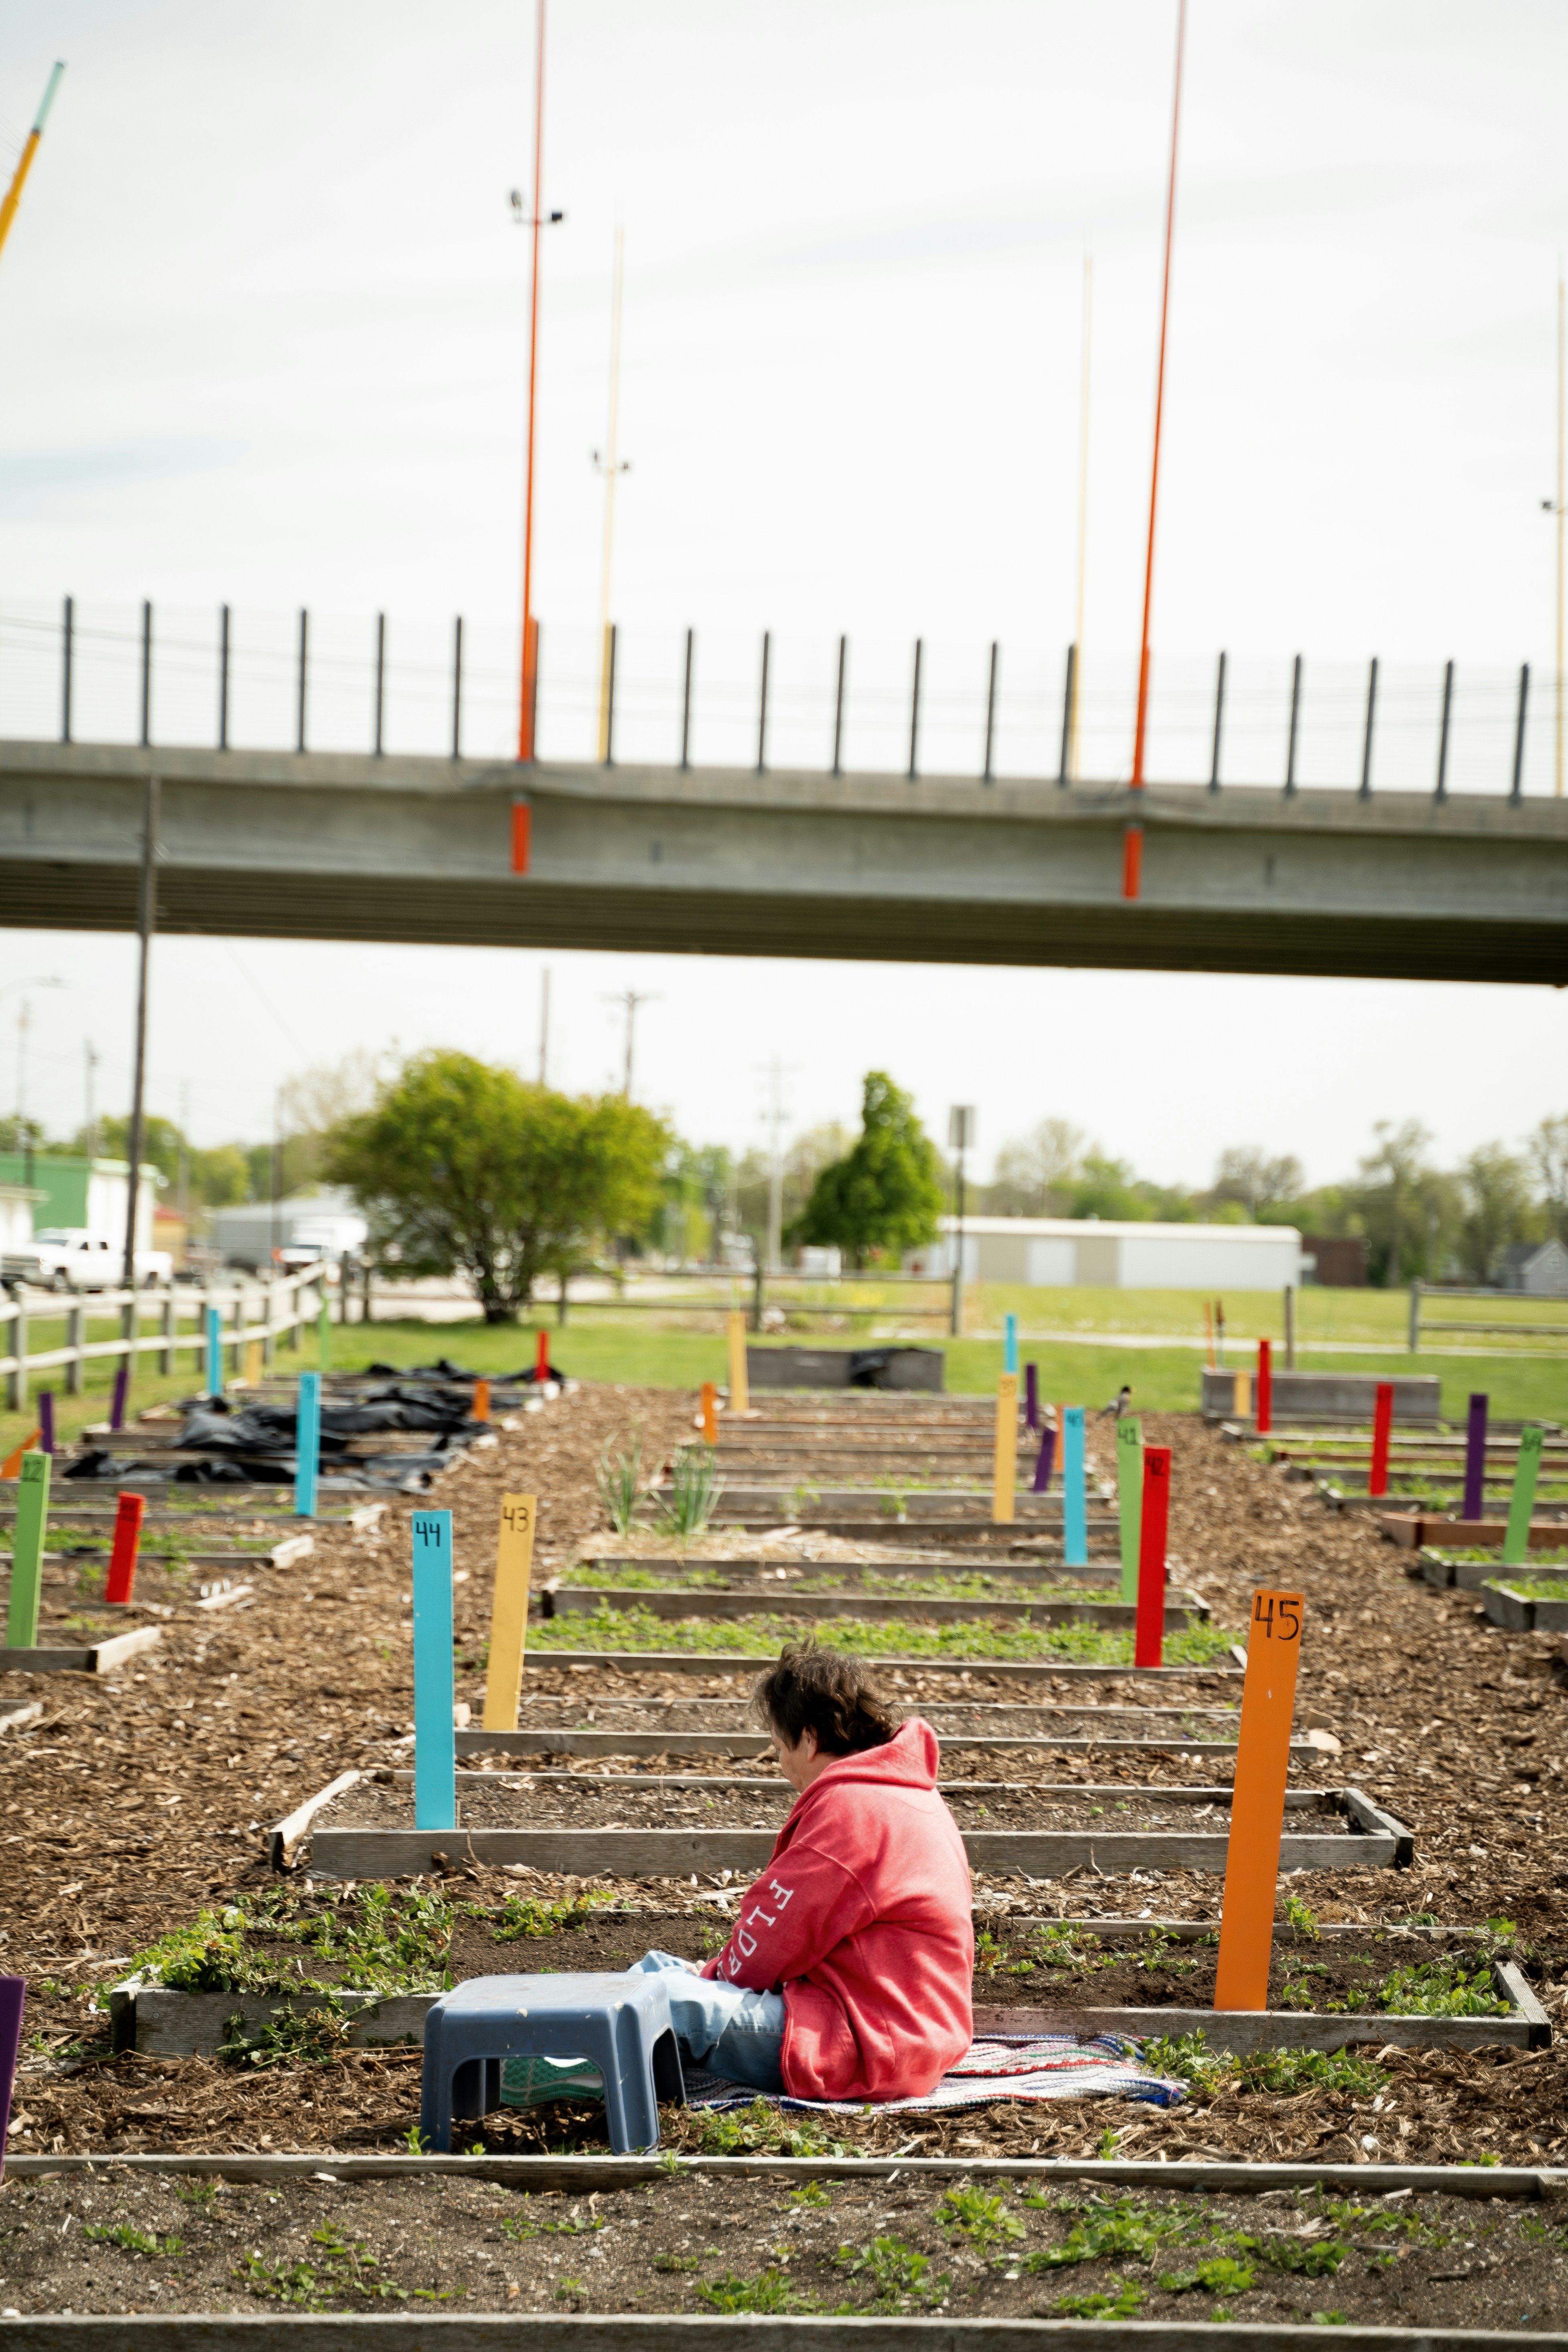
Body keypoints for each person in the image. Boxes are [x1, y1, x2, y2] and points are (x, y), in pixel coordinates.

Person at [635, 1644, 973, 2101]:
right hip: (906, 2031)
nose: (782, 1766)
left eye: (780, 1748)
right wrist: (713, 1974)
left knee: (661, 2000)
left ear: (810, 1739)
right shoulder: (904, 1794)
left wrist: (712, 1978)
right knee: (656, 1972)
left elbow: (776, 1936)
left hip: (861, 2040)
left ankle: (538, 2070)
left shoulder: (852, 1810)